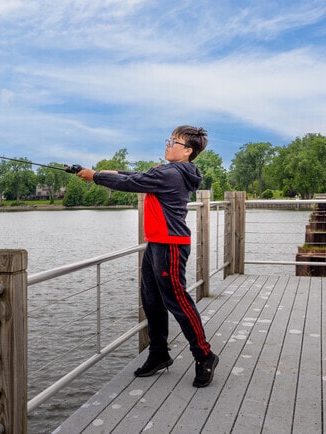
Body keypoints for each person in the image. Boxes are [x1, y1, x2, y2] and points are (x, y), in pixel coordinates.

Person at [76, 125, 218, 388]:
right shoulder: (169, 172)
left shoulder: (172, 174)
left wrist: (95, 176)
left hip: (171, 246)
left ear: (187, 151)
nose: (167, 145)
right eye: (169, 140)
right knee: (151, 301)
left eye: (173, 142)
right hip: (156, 245)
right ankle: (159, 353)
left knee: (179, 302)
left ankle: (204, 355)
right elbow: (137, 175)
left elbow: (133, 182)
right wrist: (101, 173)